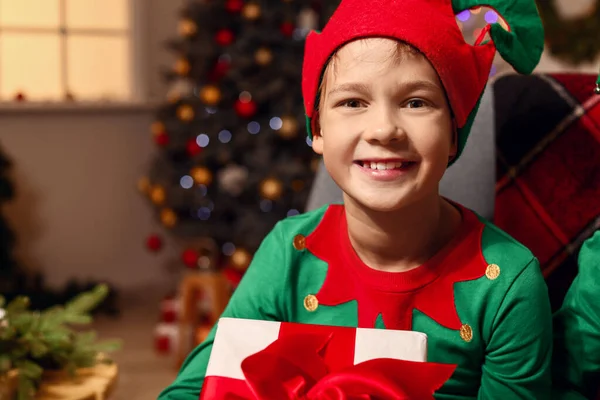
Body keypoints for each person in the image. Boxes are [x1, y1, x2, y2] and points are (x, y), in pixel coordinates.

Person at [159, 0, 552, 398]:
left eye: (416, 102)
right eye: (352, 103)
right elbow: (200, 385)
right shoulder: (288, 253)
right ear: (318, 131)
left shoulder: (507, 284)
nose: (384, 129)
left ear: (453, 133)